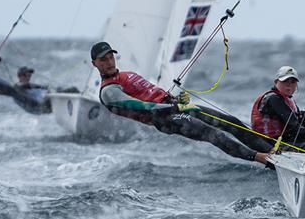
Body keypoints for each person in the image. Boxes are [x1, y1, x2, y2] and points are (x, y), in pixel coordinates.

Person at [90, 41, 271, 166]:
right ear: (94, 64)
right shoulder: (109, 91)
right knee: (211, 133)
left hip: (174, 107)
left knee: (228, 120)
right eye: (103, 59)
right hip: (165, 118)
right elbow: (143, 106)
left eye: (110, 57)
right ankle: (260, 158)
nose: (109, 62)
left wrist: (175, 100)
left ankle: (273, 150)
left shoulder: (126, 74)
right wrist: (171, 107)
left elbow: (152, 94)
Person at [251, 65, 305, 153]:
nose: (289, 85)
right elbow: (294, 129)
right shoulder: (273, 99)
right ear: (276, 82)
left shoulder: (288, 101)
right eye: (285, 81)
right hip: (270, 145)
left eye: (293, 82)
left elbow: (295, 128)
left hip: (285, 141)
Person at [12, 66, 78, 115]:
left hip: (43, 105)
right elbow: (20, 90)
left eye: (30, 75)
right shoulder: (17, 88)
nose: (29, 77)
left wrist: (55, 89)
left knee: (68, 89)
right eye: (27, 75)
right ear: (20, 76)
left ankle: (75, 108)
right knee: (73, 90)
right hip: (39, 107)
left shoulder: (29, 85)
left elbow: (44, 87)